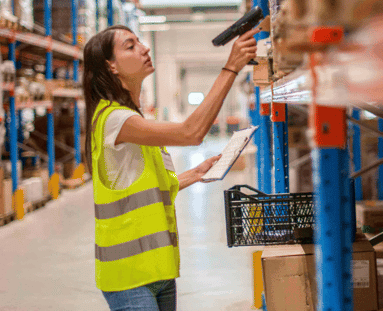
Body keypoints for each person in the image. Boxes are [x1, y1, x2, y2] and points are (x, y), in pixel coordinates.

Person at [83, 24, 259, 311]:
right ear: (111, 66)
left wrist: (193, 174)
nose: (145, 48)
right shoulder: (114, 119)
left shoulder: (131, 116)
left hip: (159, 269)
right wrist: (231, 68)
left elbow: (143, 185)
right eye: (130, 45)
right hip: (129, 276)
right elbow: (191, 133)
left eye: (140, 41)